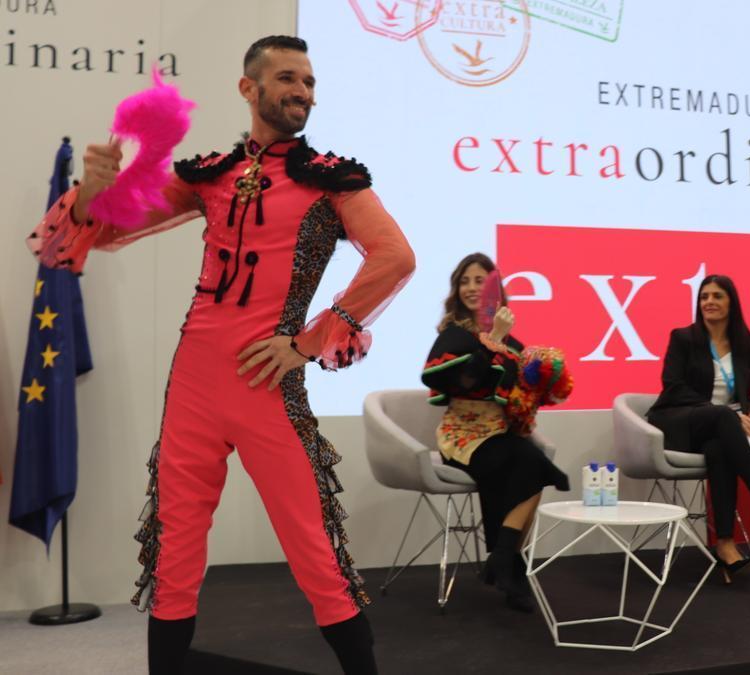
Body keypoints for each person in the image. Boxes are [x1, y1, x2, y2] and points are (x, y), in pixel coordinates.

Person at [27, 35, 415, 674]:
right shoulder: (210, 174)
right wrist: (96, 192)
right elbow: (114, 231)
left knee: (316, 555)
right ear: (249, 88)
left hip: (268, 387)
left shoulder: (332, 180)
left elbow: (395, 257)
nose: (302, 92)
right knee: (174, 554)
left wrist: (308, 342)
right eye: (289, 78)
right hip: (195, 383)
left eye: (310, 82)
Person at [421, 253, 569, 613]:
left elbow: (520, 395)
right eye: (466, 281)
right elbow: (462, 382)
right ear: (456, 289)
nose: (473, 288)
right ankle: (508, 565)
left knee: (532, 465)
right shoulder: (453, 334)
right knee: (532, 467)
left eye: (481, 281)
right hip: (463, 437)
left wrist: (546, 380)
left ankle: (502, 560)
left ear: (496, 291)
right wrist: (493, 339)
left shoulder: (513, 343)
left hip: (500, 434)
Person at [646, 274, 750, 582]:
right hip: (678, 421)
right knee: (723, 419)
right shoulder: (683, 338)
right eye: (704, 297)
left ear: (732, 303)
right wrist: (723, 413)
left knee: (720, 449)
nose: (709, 302)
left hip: (718, 429)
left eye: (717, 296)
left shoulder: (746, 345)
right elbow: (672, 387)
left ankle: (726, 545)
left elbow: (744, 394)